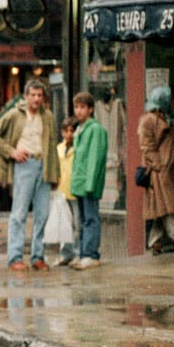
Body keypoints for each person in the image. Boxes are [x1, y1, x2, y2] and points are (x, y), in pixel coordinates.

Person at [0, 78, 58, 272]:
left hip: (43, 164)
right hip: (23, 165)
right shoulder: (15, 115)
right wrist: (11, 151)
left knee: (43, 213)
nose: (36, 99)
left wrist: (55, 174)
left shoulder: (48, 116)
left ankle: (38, 256)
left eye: (39, 95)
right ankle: (15, 257)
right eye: (33, 95)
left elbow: (52, 146)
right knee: (19, 213)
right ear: (26, 96)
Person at [137, 85, 174, 254]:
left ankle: (155, 241)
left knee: (162, 207)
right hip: (159, 170)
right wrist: (158, 165)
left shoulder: (165, 117)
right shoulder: (149, 120)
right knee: (169, 206)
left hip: (167, 168)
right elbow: (146, 146)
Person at [69, 91, 110, 270]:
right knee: (83, 219)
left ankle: (91, 254)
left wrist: (90, 182)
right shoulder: (80, 129)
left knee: (90, 218)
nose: (79, 111)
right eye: (76, 107)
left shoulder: (95, 129)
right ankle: (84, 253)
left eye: (82, 107)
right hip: (79, 181)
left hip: (88, 182)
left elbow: (95, 157)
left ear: (91, 109)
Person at [52, 118, 78, 265]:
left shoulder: (78, 148)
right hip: (62, 190)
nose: (69, 134)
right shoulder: (58, 149)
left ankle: (77, 252)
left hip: (75, 190)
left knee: (77, 224)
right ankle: (65, 253)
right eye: (66, 131)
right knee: (64, 224)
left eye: (72, 131)